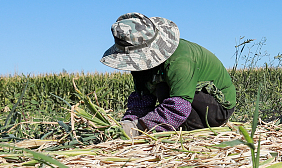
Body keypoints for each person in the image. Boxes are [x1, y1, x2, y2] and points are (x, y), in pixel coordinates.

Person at [101, 13, 236, 136]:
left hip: (216, 108)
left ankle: (184, 130)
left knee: (162, 89)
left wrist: (141, 128)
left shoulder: (179, 60)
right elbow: (141, 99)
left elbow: (179, 106)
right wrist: (128, 122)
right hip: (183, 103)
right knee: (160, 91)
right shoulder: (141, 68)